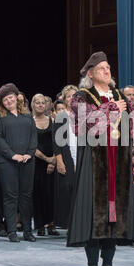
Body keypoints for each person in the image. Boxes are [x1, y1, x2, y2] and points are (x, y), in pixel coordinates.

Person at [67, 51, 134, 266]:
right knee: (94, 212)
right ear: (90, 74)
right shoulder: (81, 96)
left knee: (115, 213)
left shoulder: (121, 97)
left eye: (108, 67)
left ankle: (108, 263)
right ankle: (92, 264)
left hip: (119, 160)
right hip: (94, 162)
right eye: (102, 68)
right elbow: (85, 126)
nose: (107, 70)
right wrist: (109, 110)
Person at [0, 83, 38, 242]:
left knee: (26, 196)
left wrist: (29, 153)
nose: (8, 101)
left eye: (10, 97)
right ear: (2, 103)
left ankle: (27, 231)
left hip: (27, 161)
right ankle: (11, 230)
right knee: (10, 196)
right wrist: (13, 155)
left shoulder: (27, 116)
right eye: (5, 100)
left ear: (16, 97)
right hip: (7, 163)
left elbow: (34, 136)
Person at [31, 94, 58, 236]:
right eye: (38, 103)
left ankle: (51, 223)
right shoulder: (30, 121)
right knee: (37, 193)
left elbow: (57, 142)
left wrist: (52, 160)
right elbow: (30, 145)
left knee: (50, 193)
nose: (41, 105)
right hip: (36, 162)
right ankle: (40, 224)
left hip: (52, 162)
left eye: (43, 103)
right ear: (33, 105)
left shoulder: (52, 121)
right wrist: (46, 159)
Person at [53, 85, 78, 229]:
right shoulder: (61, 116)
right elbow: (57, 141)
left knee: (79, 190)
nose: (71, 99)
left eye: (74, 96)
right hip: (66, 155)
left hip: (80, 155)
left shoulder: (83, 115)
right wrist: (59, 160)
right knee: (67, 189)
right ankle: (68, 224)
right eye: (68, 96)